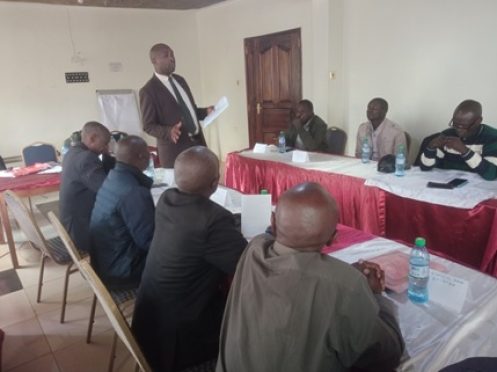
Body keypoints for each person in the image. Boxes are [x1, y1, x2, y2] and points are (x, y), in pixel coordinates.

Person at [216, 182, 404, 372]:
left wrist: (345, 274)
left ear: (272, 222)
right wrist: (377, 296)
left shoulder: (254, 249)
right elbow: (388, 354)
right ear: (333, 238)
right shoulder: (348, 285)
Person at [132, 146, 247, 372]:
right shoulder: (213, 219)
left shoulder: (166, 199)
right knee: (249, 317)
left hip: (148, 321)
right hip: (179, 340)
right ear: (214, 183)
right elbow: (243, 264)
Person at [89, 135, 154, 290]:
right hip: (124, 273)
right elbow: (150, 242)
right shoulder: (133, 192)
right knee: (191, 259)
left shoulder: (113, 177)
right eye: (148, 153)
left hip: (106, 263)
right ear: (141, 156)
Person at [140, 43, 213, 168]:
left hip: (197, 143)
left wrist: (205, 112)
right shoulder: (148, 91)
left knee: (202, 182)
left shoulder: (181, 80)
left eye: (172, 54)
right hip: (175, 152)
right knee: (182, 187)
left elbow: (189, 111)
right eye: (166, 55)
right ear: (154, 60)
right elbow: (148, 125)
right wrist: (168, 132)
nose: (172, 58)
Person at [59, 122, 111, 252]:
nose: (106, 147)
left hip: (70, 223)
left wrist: (106, 155)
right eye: (105, 143)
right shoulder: (87, 158)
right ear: (92, 138)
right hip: (80, 231)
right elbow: (108, 191)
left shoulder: (72, 152)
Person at [419, 99, 497, 180]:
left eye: (463, 126)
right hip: (448, 186)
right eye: (455, 124)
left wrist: (464, 150)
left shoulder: (492, 137)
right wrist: (431, 148)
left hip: (481, 188)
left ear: (478, 121)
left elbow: (491, 175)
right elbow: (425, 167)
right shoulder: (448, 134)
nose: (458, 129)